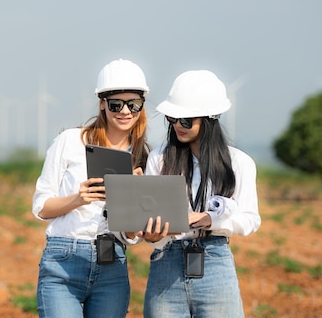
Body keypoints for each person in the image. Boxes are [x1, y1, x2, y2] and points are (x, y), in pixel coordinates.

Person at [32, 58, 151, 318]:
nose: (125, 111)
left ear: (142, 106)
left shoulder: (144, 157)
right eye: (116, 104)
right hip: (64, 260)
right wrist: (78, 199)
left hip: (113, 262)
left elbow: (132, 234)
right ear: (102, 104)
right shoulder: (70, 141)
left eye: (134, 104)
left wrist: (130, 199)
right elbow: (41, 207)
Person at [138, 69, 261, 318]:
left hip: (215, 259)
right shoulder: (159, 158)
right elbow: (152, 224)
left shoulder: (239, 163)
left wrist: (209, 219)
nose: (177, 126)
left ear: (210, 118)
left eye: (185, 120)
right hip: (166, 260)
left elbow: (250, 219)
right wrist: (152, 236)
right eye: (172, 118)